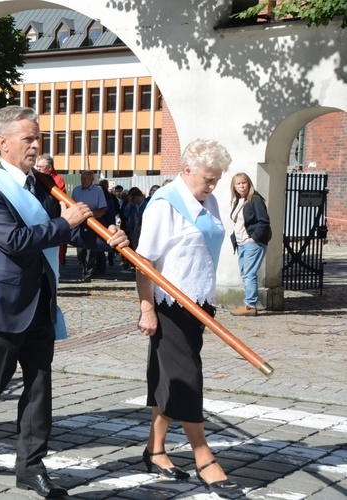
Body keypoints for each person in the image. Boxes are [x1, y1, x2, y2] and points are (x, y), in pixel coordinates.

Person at [0, 106, 127, 499]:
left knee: (38, 388)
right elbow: (16, 240)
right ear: (3, 143)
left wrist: (107, 239)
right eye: (28, 138)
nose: (36, 145)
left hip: (40, 302)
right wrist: (65, 223)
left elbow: (69, 231)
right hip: (0, 305)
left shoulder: (43, 185)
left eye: (38, 138)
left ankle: (31, 467)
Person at [135, 139, 243, 499]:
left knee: (165, 377)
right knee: (186, 377)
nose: (212, 187)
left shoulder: (208, 200)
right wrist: (146, 307)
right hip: (170, 305)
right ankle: (204, 457)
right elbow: (144, 260)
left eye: (216, 180)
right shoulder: (165, 203)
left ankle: (155, 449)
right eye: (208, 179)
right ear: (187, 170)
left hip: (199, 303)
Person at [229, 172, 271, 316]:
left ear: (249, 184)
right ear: (234, 187)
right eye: (238, 183)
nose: (241, 186)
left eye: (244, 182)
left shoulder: (255, 200)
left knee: (249, 274)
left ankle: (250, 305)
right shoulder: (238, 201)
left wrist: (253, 238)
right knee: (245, 274)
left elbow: (264, 221)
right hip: (240, 243)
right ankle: (249, 304)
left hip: (252, 243)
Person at [71, 170, 107, 280]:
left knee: (91, 250)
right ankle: (84, 267)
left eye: (85, 178)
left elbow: (102, 210)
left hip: (93, 222)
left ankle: (88, 273)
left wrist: (90, 213)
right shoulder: (76, 190)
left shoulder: (98, 191)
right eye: (82, 178)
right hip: (79, 222)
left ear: (92, 179)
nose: (83, 180)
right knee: (80, 250)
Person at [37, 155, 67, 265]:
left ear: (49, 168)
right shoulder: (37, 177)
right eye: (37, 166)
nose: (38, 169)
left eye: (41, 167)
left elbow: (59, 199)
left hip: (53, 217)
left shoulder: (58, 180)